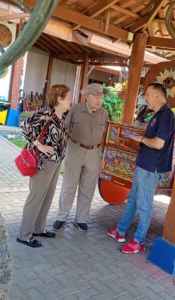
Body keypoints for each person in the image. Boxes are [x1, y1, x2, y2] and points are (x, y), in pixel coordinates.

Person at [107, 82, 175, 254]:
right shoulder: (157, 114)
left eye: (147, 94)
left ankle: (139, 241)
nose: (145, 97)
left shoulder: (166, 116)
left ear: (158, 96)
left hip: (151, 167)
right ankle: (121, 231)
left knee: (144, 204)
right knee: (132, 199)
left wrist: (140, 139)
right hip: (144, 164)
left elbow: (159, 144)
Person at [17, 84, 72, 248]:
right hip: (42, 162)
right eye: (68, 97)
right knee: (36, 197)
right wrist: (37, 144)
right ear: (60, 99)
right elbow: (25, 125)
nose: (71, 100)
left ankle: (38, 228)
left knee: (47, 196)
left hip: (55, 162)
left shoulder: (61, 116)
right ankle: (24, 234)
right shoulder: (46, 112)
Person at [53, 83, 108, 232]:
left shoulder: (104, 113)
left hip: (95, 153)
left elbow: (106, 134)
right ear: (87, 97)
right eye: (96, 97)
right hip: (75, 149)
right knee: (69, 186)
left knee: (88, 188)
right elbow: (65, 129)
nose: (99, 100)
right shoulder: (75, 109)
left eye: (101, 97)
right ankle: (62, 217)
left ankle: (81, 219)